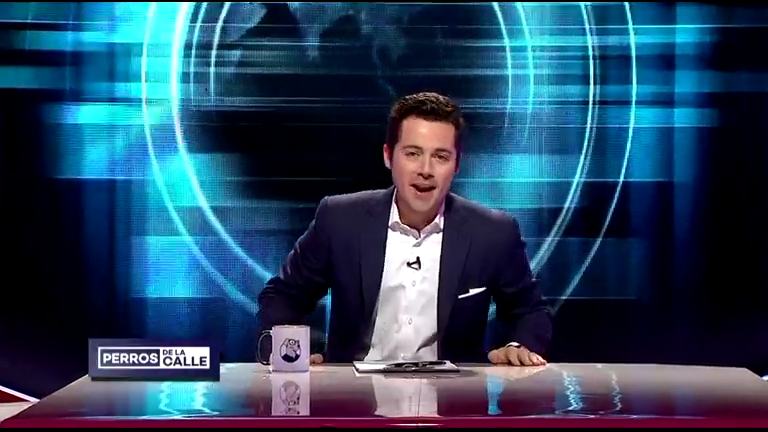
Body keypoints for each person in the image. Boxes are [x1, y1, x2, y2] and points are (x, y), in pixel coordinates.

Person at [257, 92, 553, 366]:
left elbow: (531, 311)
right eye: (412, 153)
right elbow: (283, 296)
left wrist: (518, 346)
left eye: (440, 157)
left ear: (456, 164)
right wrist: (292, 349)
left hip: (454, 398)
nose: (425, 169)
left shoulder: (492, 233)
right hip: (353, 395)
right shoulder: (340, 220)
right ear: (388, 156)